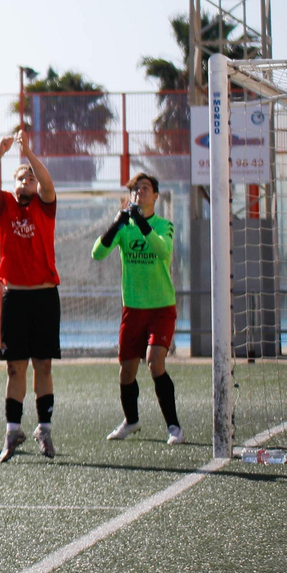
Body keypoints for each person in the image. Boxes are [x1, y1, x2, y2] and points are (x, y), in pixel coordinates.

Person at [0, 131, 60, 462]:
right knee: (15, 368)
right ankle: (13, 430)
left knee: (43, 364)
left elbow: (48, 184)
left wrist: (29, 155)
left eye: (29, 178)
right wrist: (0, 153)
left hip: (44, 297)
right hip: (15, 297)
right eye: (20, 178)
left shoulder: (45, 206)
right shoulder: (5, 207)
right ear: (13, 186)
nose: (26, 182)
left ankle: (44, 428)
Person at [94, 173, 184, 445]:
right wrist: (115, 224)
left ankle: (174, 427)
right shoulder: (124, 228)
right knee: (126, 371)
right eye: (135, 189)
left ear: (155, 195)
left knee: (155, 362)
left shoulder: (164, 225)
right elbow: (97, 253)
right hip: (132, 309)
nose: (139, 193)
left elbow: (163, 251)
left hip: (161, 307)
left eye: (145, 189)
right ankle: (131, 421)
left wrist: (142, 223)